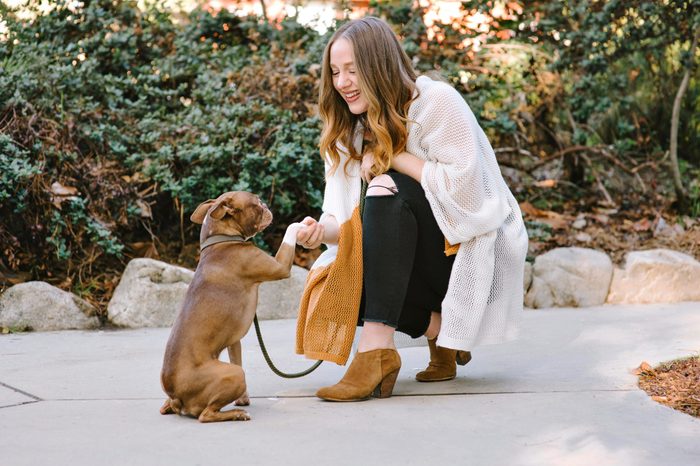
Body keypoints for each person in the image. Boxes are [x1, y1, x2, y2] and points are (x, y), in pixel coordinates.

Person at [294, 16, 528, 402]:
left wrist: (391, 158)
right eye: (335, 72)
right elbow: (343, 221)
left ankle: (374, 353)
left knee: (387, 188)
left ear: (379, 65)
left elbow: (468, 197)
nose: (342, 82)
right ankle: (440, 332)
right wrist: (320, 231)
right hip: (404, 265)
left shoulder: (435, 102)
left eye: (352, 70)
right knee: (337, 282)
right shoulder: (347, 131)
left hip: (464, 255)